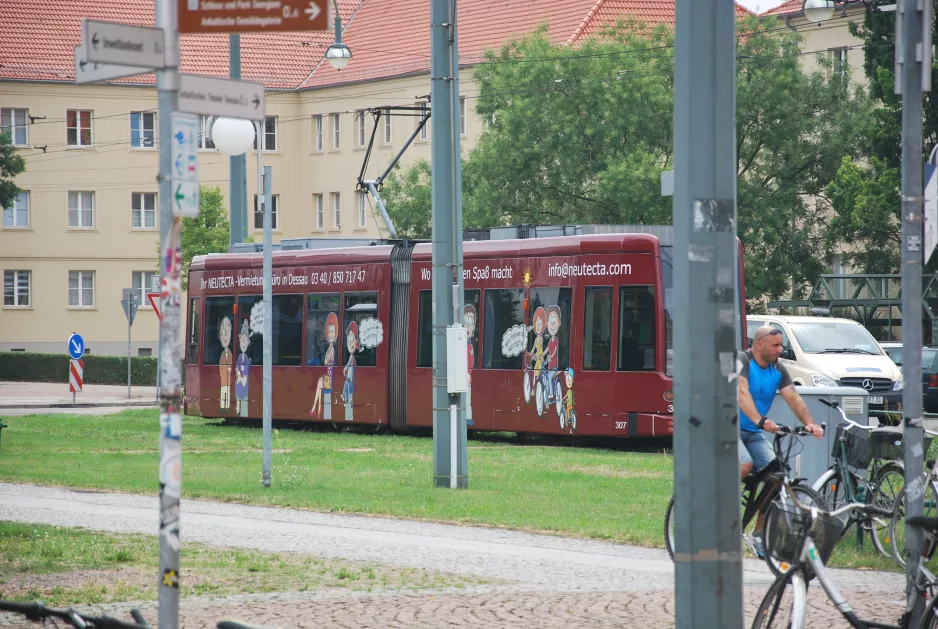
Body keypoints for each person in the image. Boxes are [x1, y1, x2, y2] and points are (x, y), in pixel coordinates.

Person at [738, 325, 824, 557]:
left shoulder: (778, 369)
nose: (780, 349)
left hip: (752, 432)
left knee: (776, 476)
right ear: (759, 344)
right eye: (775, 345)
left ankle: (757, 534)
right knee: (744, 465)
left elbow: (793, 397)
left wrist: (810, 422)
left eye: (781, 344)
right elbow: (741, 392)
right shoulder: (741, 361)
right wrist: (759, 419)